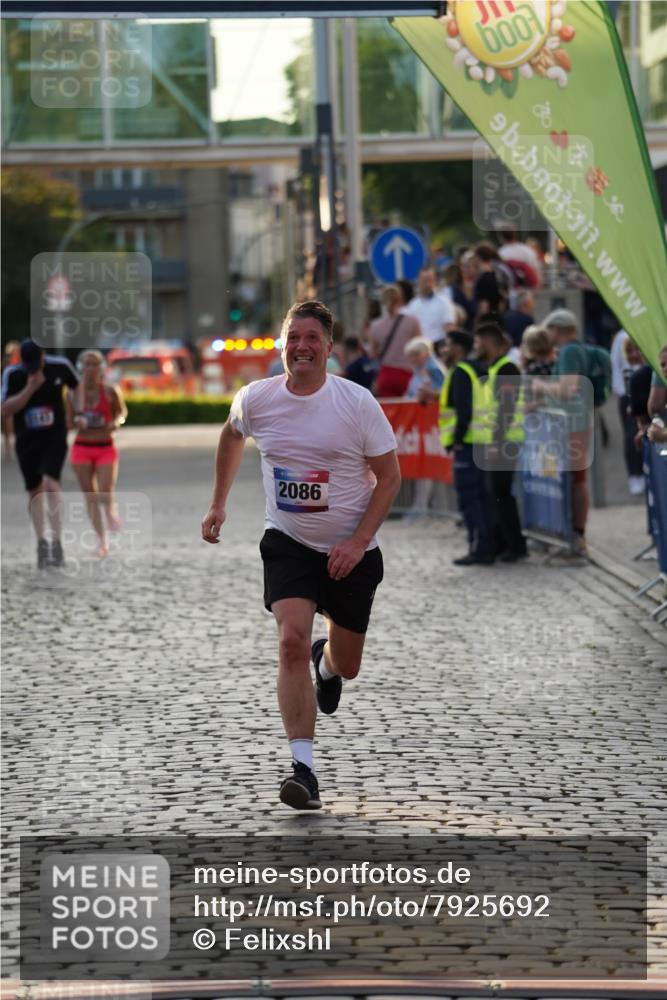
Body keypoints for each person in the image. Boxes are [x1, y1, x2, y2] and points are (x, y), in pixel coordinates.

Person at [201, 300, 400, 810]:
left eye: (312, 338)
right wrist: (218, 503)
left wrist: (357, 541)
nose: (301, 347)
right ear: (281, 344)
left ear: (329, 347)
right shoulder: (257, 399)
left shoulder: (356, 403)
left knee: (348, 665)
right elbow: (231, 435)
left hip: (352, 549)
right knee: (290, 641)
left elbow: (390, 478)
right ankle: (303, 771)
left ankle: (326, 665)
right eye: (293, 337)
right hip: (288, 542)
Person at [0, 339, 79, 568]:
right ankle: (41, 542)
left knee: (51, 485)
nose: (33, 369)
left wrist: (78, 411)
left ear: (44, 356)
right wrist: (30, 388)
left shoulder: (60, 365)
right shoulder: (13, 374)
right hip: (27, 440)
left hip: (54, 437)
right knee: (35, 491)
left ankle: (57, 542)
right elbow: (5, 409)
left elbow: (77, 386)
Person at [537, 309, 594, 557]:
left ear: (557, 329)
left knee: (576, 478)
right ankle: (573, 532)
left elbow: (568, 389)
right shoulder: (573, 350)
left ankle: (576, 534)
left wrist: (540, 386)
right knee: (573, 478)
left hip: (572, 425)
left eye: (548, 330)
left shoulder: (570, 351)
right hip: (572, 423)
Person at [439, 329, 494, 565]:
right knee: (482, 498)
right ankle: (486, 547)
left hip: (468, 444)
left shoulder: (461, 372)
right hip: (482, 442)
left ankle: (478, 548)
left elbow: (464, 409)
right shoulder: (478, 368)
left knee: (470, 499)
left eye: (448, 345)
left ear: (459, 348)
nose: (444, 350)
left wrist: (458, 439)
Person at [65, 350, 127, 557]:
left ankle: (110, 510)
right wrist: (77, 421)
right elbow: (68, 423)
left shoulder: (110, 390)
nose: (91, 368)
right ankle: (101, 539)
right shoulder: (72, 393)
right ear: (80, 367)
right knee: (90, 497)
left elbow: (121, 413)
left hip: (106, 447)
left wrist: (115, 423)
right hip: (82, 448)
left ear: (101, 368)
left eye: (95, 364)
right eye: (87, 364)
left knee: (104, 491)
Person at [475, 323, 527, 562]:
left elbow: (506, 408)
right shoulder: (495, 368)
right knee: (496, 495)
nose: (476, 347)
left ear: (489, 342)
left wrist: (497, 442)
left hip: (505, 442)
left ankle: (515, 545)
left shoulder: (507, 369)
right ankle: (502, 543)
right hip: (497, 441)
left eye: (479, 342)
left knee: (501, 494)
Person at [367, 284, 420, 397]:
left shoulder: (375, 325)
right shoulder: (413, 321)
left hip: (386, 375)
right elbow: (420, 347)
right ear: (400, 300)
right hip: (408, 373)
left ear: (382, 301)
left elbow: (372, 354)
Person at [405, 267, 456, 344]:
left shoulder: (444, 302)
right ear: (418, 281)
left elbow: (449, 328)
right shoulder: (413, 304)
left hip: (438, 346)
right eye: (424, 281)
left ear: (435, 281)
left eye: (430, 280)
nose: (428, 284)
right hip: (418, 347)